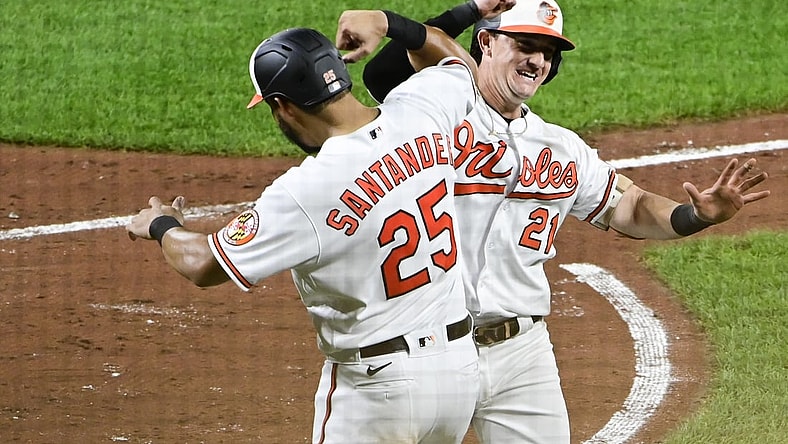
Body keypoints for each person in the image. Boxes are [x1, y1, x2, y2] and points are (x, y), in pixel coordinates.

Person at [362, 0, 772, 443]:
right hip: (428, 350)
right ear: (485, 42)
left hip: (522, 353)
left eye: (547, 52)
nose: (537, 60)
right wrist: (468, 8)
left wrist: (695, 216)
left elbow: (630, 207)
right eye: (524, 44)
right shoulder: (433, 117)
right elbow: (381, 75)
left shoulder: (562, 147)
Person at [127, 10, 484, 443]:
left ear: (282, 105)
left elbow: (203, 262)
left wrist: (162, 224)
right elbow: (456, 62)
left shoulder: (308, 189)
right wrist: (387, 22)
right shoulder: (422, 111)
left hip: (378, 392)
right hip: (459, 375)